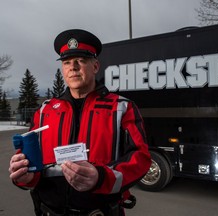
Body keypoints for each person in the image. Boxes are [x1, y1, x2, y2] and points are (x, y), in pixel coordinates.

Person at [8, 29, 151, 216]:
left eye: (80, 61)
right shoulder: (45, 111)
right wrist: (25, 176)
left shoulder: (122, 107)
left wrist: (101, 177)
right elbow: (31, 162)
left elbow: (141, 158)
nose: (73, 67)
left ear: (96, 66)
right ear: (62, 69)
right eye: (66, 62)